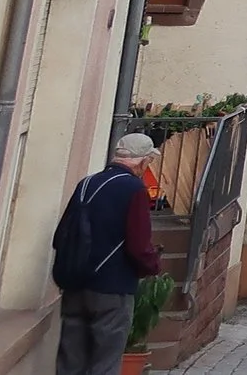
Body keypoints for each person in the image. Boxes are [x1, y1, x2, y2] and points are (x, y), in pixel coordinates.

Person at [51, 134, 163, 375]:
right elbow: (138, 244)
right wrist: (152, 266)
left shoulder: (87, 183)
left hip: (75, 283)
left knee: (70, 359)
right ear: (143, 162)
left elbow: (62, 234)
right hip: (112, 287)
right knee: (105, 362)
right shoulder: (134, 189)